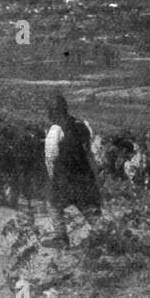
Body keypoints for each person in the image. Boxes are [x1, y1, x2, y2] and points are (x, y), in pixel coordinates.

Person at [44, 94, 101, 245]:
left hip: (64, 177)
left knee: (53, 204)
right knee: (88, 206)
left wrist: (53, 178)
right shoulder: (83, 125)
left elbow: (50, 158)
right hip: (84, 175)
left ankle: (61, 237)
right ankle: (105, 235)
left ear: (53, 111)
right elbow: (90, 152)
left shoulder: (55, 129)